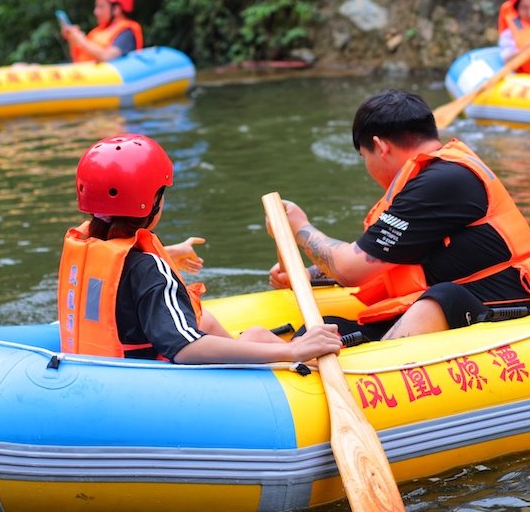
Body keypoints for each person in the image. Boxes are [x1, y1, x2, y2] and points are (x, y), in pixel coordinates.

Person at [268, 90, 530, 341]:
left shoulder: (441, 181)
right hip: (457, 312)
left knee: (442, 298)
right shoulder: (431, 180)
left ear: (380, 147)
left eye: (364, 156)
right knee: (325, 328)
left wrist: (299, 228)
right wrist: (306, 274)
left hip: (503, 312)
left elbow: (351, 268)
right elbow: (387, 258)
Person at [58, 133, 341, 364]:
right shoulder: (150, 269)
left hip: (99, 366)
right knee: (257, 335)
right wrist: (292, 351)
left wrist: (167, 254)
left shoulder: (88, 246)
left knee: (206, 320)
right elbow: (183, 348)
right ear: (153, 202)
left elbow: (118, 276)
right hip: (147, 382)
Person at [62, 0, 143, 63]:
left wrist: (81, 41)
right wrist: (73, 40)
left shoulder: (127, 31)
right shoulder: (97, 32)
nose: (95, 12)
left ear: (116, 9)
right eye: (96, 6)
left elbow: (109, 57)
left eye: (101, 7)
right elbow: (79, 60)